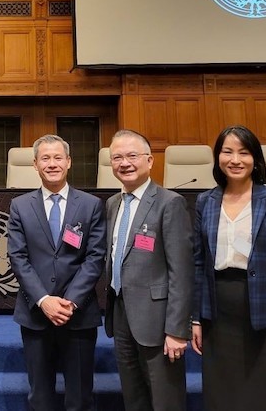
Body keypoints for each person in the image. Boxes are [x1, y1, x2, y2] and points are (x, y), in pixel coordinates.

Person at [191, 125, 266, 411]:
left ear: (256, 159)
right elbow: (198, 264)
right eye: (227, 152)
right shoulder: (205, 202)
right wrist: (195, 318)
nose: (235, 160)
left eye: (243, 153)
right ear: (218, 158)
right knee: (223, 396)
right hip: (218, 314)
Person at [7, 134, 106, 411]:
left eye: (58, 157)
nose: (52, 164)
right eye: (45, 158)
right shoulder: (20, 206)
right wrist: (44, 300)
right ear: (35, 164)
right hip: (35, 314)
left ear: (69, 162)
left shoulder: (90, 204)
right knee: (40, 397)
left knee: (80, 397)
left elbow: (95, 257)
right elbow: (18, 257)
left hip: (79, 315)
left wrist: (70, 301)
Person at [103, 129, 193, 411]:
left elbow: (181, 272)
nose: (124, 163)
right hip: (121, 314)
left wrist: (177, 330)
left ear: (150, 160)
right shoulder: (113, 204)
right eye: (117, 157)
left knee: (166, 402)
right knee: (134, 399)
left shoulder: (170, 203)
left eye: (132, 156)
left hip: (158, 321)